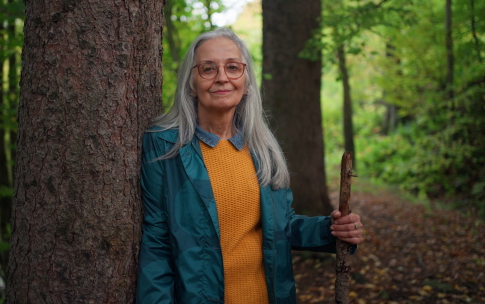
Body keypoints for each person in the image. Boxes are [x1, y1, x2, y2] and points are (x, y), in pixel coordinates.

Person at [137, 28, 363, 304]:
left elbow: (281, 226)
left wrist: (332, 230)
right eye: (208, 69)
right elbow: (157, 243)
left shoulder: (262, 148)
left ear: (246, 81)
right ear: (191, 83)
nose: (222, 77)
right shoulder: (165, 146)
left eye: (233, 67)